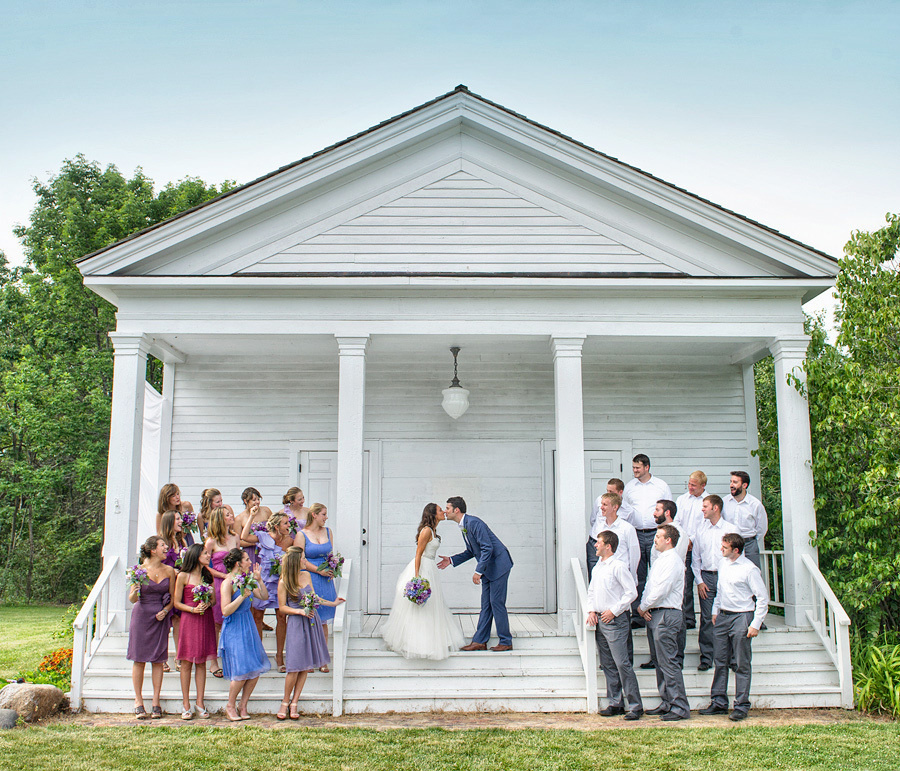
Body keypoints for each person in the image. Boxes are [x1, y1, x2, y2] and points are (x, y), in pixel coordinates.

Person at [699, 533, 769, 721]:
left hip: (742, 616)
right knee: (720, 660)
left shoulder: (749, 569)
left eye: (725, 547)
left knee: (741, 662)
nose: (721, 549)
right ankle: (718, 702)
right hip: (723, 615)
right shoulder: (723, 564)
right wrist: (715, 610)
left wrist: (755, 624)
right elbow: (720, 590)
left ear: (736, 550)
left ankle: (741, 705)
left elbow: (762, 598)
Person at [382, 503, 465, 660]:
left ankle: (432, 639)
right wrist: (417, 576)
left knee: (432, 604)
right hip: (423, 568)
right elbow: (418, 553)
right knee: (421, 606)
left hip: (431, 567)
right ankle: (416, 642)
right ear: (433, 514)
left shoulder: (433, 531)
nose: (443, 512)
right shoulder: (426, 530)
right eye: (440, 510)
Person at [438, 496, 514, 652]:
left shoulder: (473, 523)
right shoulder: (465, 525)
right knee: (486, 605)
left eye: (447, 508)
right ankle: (479, 641)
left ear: (456, 510)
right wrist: (451, 560)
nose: (445, 511)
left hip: (499, 565)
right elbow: (472, 551)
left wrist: (478, 571)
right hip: (489, 568)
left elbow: (487, 548)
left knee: (496, 603)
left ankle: (506, 641)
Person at [278, 546, 345, 719]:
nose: (305, 561)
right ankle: (285, 702)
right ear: (295, 561)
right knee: (294, 666)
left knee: (305, 665)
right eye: (303, 558)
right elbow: (282, 607)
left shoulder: (306, 575)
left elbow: (314, 598)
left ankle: (294, 702)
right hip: (296, 622)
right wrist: (299, 611)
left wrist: (332, 603)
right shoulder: (284, 581)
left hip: (311, 621)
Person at [586, 530, 642, 720]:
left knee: (622, 663)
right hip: (600, 619)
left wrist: (614, 610)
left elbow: (631, 592)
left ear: (608, 546)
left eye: (599, 542)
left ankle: (635, 705)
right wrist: (591, 610)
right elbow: (592, 591)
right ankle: (615, 702)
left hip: (615, 620)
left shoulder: (618, 566)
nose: (595, 545)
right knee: (608, 664)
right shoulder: (597, 567)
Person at [638, 524, 690, 721]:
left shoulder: (673, 561)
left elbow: (662, 590)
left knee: (669, 662)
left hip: (667, 614)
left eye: (659, 536)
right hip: (655, 612)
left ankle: (679, 706)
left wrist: (644, 606)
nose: (655, 539)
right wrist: (645, 607)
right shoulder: (660, 560)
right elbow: (649, 586)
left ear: (668, 540)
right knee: (659, 662)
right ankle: (667, 701)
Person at [218, 548, 271, 721]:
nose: (250, 562)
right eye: (247, 559)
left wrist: (259, 580)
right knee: (240, 670)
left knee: (255, 668)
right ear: (238, 563)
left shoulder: (247, 580)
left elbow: (264, 596)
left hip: (248, 625)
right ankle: (230, 705)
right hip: (234, 627)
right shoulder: (228, 583)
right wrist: (241, 596)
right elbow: (225, 611)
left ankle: (243, 704)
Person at [126, 535, 176, 719]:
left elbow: (172, 598)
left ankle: (156, 701)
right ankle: (138, 701)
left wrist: (166, 611)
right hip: (141, 616)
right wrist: (136, 589)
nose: (166, 548)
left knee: (158, 660)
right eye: (163, 545)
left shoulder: (169, 570)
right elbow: (132, 599)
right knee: (139, 659)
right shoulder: (138, 570)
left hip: (160, 618)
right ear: (153, 549)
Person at [622, 454, 672, 628]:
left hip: (656, 534)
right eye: (633, 467)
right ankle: (637, 615)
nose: (635, 470)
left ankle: (656, 611)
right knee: (638, 574)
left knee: (657, 572)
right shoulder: (630, 487)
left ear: (647, 467)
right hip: (635, 533)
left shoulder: (661, 486)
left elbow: (669, 510)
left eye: (638, 467)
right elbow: (625, 510)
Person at [691, 494, 739, 670]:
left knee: (728, 616)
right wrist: (699, 581)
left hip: (726, 577)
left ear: (715, 508)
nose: (702, 509)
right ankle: (706, 657)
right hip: (706, 577)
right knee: (706, 618)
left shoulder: (730, 529)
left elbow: (737, 556)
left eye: (705, 506)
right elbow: (695, 558)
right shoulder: (701, 530)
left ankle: (731, 658)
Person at [241, 510, 292, 671]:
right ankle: (259, 654)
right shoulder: (263, 536)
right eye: (285, 523)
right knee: (257, 616)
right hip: (263, 581)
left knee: (281, 616)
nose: (289, 526)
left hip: (280, 582)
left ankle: (279, 655)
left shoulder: (290, 540)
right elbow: (244, 537)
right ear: (276, 526)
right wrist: (251, 516)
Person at [641, 499, 687, 670]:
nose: (654, 513)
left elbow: (668, 578)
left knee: (670, 654)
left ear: (667, 512)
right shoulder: (659, 535)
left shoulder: (678, 534)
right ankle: (656, 659)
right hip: (654, 597)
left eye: (657, 509)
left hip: (668, 596)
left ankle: (677, 658)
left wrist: (645, 605)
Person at [172, 543, 216, 720]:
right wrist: (192, 609)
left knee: (201, 662)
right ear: (196, 556)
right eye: (205, 553)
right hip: (189, 619)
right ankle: (185, 704)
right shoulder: (183, 576)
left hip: (205, 618)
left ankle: (200, 702)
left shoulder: (208, 576)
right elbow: (176, 602)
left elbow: (214, 600)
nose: (208, 556)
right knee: (186, 662)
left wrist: (208, 603)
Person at [301, 503, 340, 668]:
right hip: (310, 577)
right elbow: (301, 559)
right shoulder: (302, 534)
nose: (326, 517)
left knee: (323, 621)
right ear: (314, 515)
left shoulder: (328, 531)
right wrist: (319, 571)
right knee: (310, 618)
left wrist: (333, 566)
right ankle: (309, 658)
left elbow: (330, 554)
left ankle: (323, 659)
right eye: (323, 514)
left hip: (326, 580)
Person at [204, 505, 240, 678]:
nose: (231, 516)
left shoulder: (235, 537)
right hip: (218, 582)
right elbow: (204, 565)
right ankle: (213, 662)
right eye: (227, 515)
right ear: (220, 519)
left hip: (235, 583)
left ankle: (232, 659)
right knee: (217, 623)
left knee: (234, 620)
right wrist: (223, 575)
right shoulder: (211, 541)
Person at [674, 471, 708, 630]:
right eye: (689, 484)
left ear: (703, 485)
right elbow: (677, 521)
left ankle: (708, 617)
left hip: (702, 547)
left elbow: (705, 524)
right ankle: (688, 618)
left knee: (704, 583)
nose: (690, 487)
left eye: (694, 485)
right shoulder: (682, 500)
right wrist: (684, 539)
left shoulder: (708, 501)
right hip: (685, 546)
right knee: (686, 583)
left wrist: (692, 539)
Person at [159, 510, 188, 672]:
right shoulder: (162, 541)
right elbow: (157, 563)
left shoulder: (181, 540)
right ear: (169, 522)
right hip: (166, 585)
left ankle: (179, 656)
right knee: (165, 622)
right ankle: (162, 657)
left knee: (178, 620)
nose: (181, 521)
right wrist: (172, 571)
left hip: (179, 585)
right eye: (177, 519)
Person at [722, 471, 768, 569]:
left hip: (749, 545)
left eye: (735, 482)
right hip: (729, 545)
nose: (731, 485)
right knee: (730, 571)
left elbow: (761, 528)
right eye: (731, 482)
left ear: (744, 485)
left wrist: (751, 541)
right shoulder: (724, 502)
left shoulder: (755, 504)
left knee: (752, 570)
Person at [586, 478, 626, 579]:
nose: (608, 493)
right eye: (607, 490)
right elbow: (593, 519)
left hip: (612, 545)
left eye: (611, 491)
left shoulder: (627, 510)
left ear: (620, 492)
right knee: (594, 572)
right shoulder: (599, 500)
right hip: (595, 541)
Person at [235, 486, 273, 565]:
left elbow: (274, 528)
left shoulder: (266, 511)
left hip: (267, 549)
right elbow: (238, 541)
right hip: (250, 551)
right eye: (254, 500)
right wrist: (254, 542)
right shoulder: (239, 518)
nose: (257, 502)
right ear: (246, 501)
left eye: (258, 499)